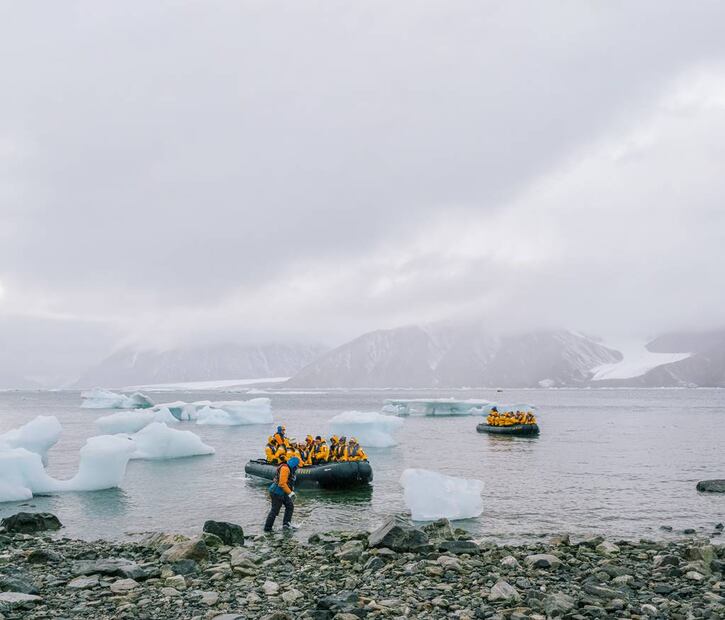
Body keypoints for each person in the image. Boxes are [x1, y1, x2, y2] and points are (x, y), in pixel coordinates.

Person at [263, 456, 300, 531]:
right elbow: (282, 483)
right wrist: (290, 493)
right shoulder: (285, 469)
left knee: (290, 506)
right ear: (294, 465)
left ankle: (286, 525)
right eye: (297, 466)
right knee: (275, 510)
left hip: (283, 491)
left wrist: (290, 492)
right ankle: (267, 528)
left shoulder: (289, 469)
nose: (297, 467)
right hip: (276, 492)